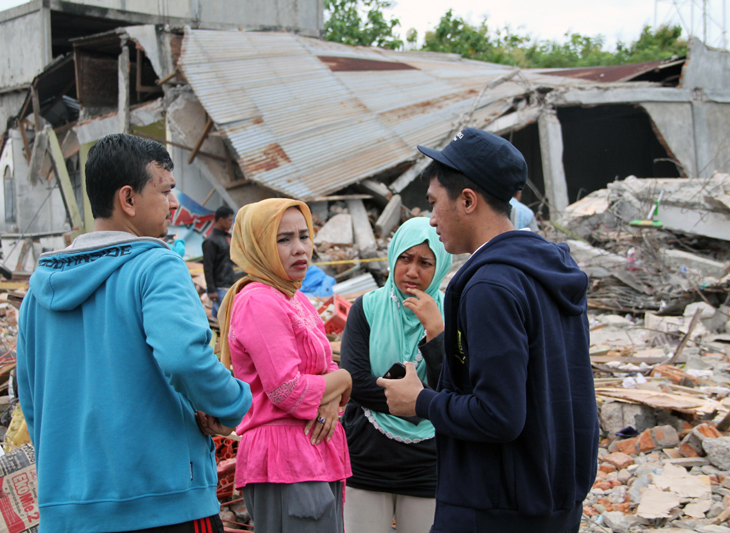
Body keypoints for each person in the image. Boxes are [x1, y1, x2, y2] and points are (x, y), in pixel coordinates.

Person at [17, 134, 252, 533]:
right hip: (163, 504)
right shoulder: (155, 267)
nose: (173, 203)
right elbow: (185, 357)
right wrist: (231, 405)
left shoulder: (38, 293)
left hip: (69, 513)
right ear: (128, 198)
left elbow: (32, 402)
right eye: (165, 191)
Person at [377, 128, 599, 533]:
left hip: (495, 506)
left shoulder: (491, 286)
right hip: (553, 495)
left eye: (434, 202)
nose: (431, 219)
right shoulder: (548, 270)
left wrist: (420, 401)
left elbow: (499, 415)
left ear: (467, 200)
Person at [218, 199, 352, 533]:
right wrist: (345, 379)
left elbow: (323, 370)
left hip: (313, 453)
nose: (300, 248)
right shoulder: (258, 301)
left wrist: (331, 396)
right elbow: (287, 389)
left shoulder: (295, 297)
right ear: (258, 245)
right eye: (284, 239)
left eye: (304, 236)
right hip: (285, 462)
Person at [341, 216, 452, 533]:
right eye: (405, 258)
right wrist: (421, 403)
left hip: (427, 462)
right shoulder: (367, 308)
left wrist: (436, 332)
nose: (412, 271)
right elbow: (356, 382)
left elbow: (453, 387)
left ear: (439, 267)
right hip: (367, 457)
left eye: (425, 263)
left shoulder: (452, 314)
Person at [203, 205, 236, 318]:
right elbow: (208, 266)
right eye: (230, 220)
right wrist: (212, 290)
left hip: (227, 285)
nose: (231, 223)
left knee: (218, 319)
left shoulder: (225, 237)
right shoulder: (210, 241)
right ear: (221, 220)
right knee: (227, 320)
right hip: (219, 288)